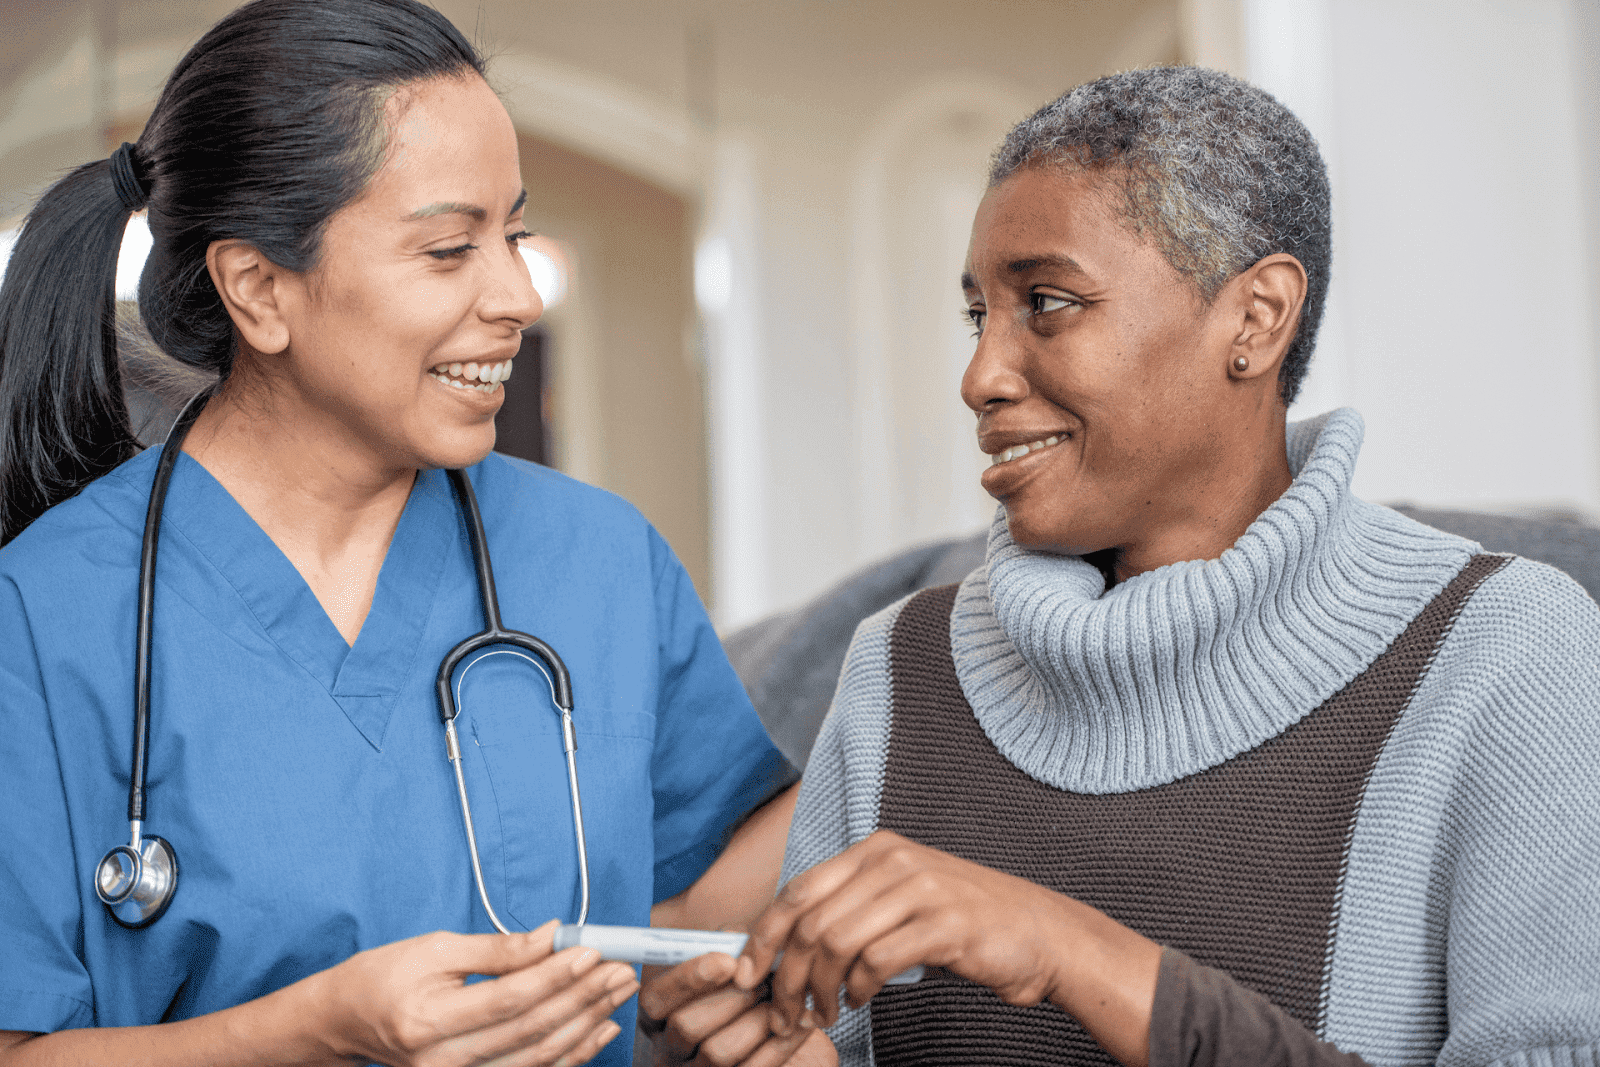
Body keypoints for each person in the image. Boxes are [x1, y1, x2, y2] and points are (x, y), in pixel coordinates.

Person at [639, 67, 1600, 1066]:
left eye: (1046, 302)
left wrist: (1071, 951)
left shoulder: (1505, 648)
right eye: (979, 315)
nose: (980, 376)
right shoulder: (897, 666)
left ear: (1256, 318)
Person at [0, 2, 795, 1065]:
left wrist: (750, 958)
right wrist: (314, 1029)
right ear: (259, 289)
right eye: (449, 248)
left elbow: (719, 854)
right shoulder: (45, 613)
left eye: (511, 234)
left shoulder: (597, 557)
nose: (515, 293)